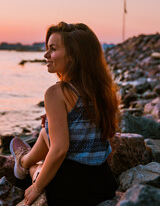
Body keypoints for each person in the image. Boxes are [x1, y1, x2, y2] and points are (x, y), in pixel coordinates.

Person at [10, 22, 120, 205]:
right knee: (47, 132)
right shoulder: (104, 90)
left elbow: (60, 149)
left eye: (52, 49)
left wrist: (37, 187)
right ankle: (23, 160)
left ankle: (24, 163)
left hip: (68, 187)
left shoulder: (56, 93)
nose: (45, 55)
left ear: (74, 55)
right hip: (103, 183)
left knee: (39, 165)